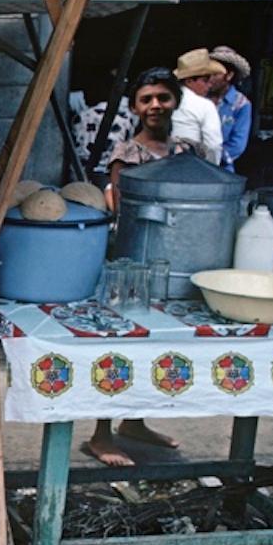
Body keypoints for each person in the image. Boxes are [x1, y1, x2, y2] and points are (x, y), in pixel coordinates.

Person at [91, 68, 206, 467]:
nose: (155, 105)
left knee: (159, 345)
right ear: (135, 108)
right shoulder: (128, 154)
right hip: (133, 263)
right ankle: (101, 433)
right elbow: (120, 208)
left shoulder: (188, 152)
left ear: (176, 100)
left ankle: (135, 422)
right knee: (121, 343)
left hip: (182, 262)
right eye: (146, 99)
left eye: (163, 97)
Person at [169, 49, 224, 167]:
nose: (209, 85)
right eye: (205, 80)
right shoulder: (205, 105)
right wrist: (211, 169)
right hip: (192, 167)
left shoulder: (166, 100)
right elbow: (213, 146)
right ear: (189, 81)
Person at [208, 45, 253, 173]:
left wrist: (210, 156)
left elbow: (237, 145)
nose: (210, 78)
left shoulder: (241, 104)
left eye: (215, 74)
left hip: (221, 170)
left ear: (229, 75)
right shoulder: (200, 98)